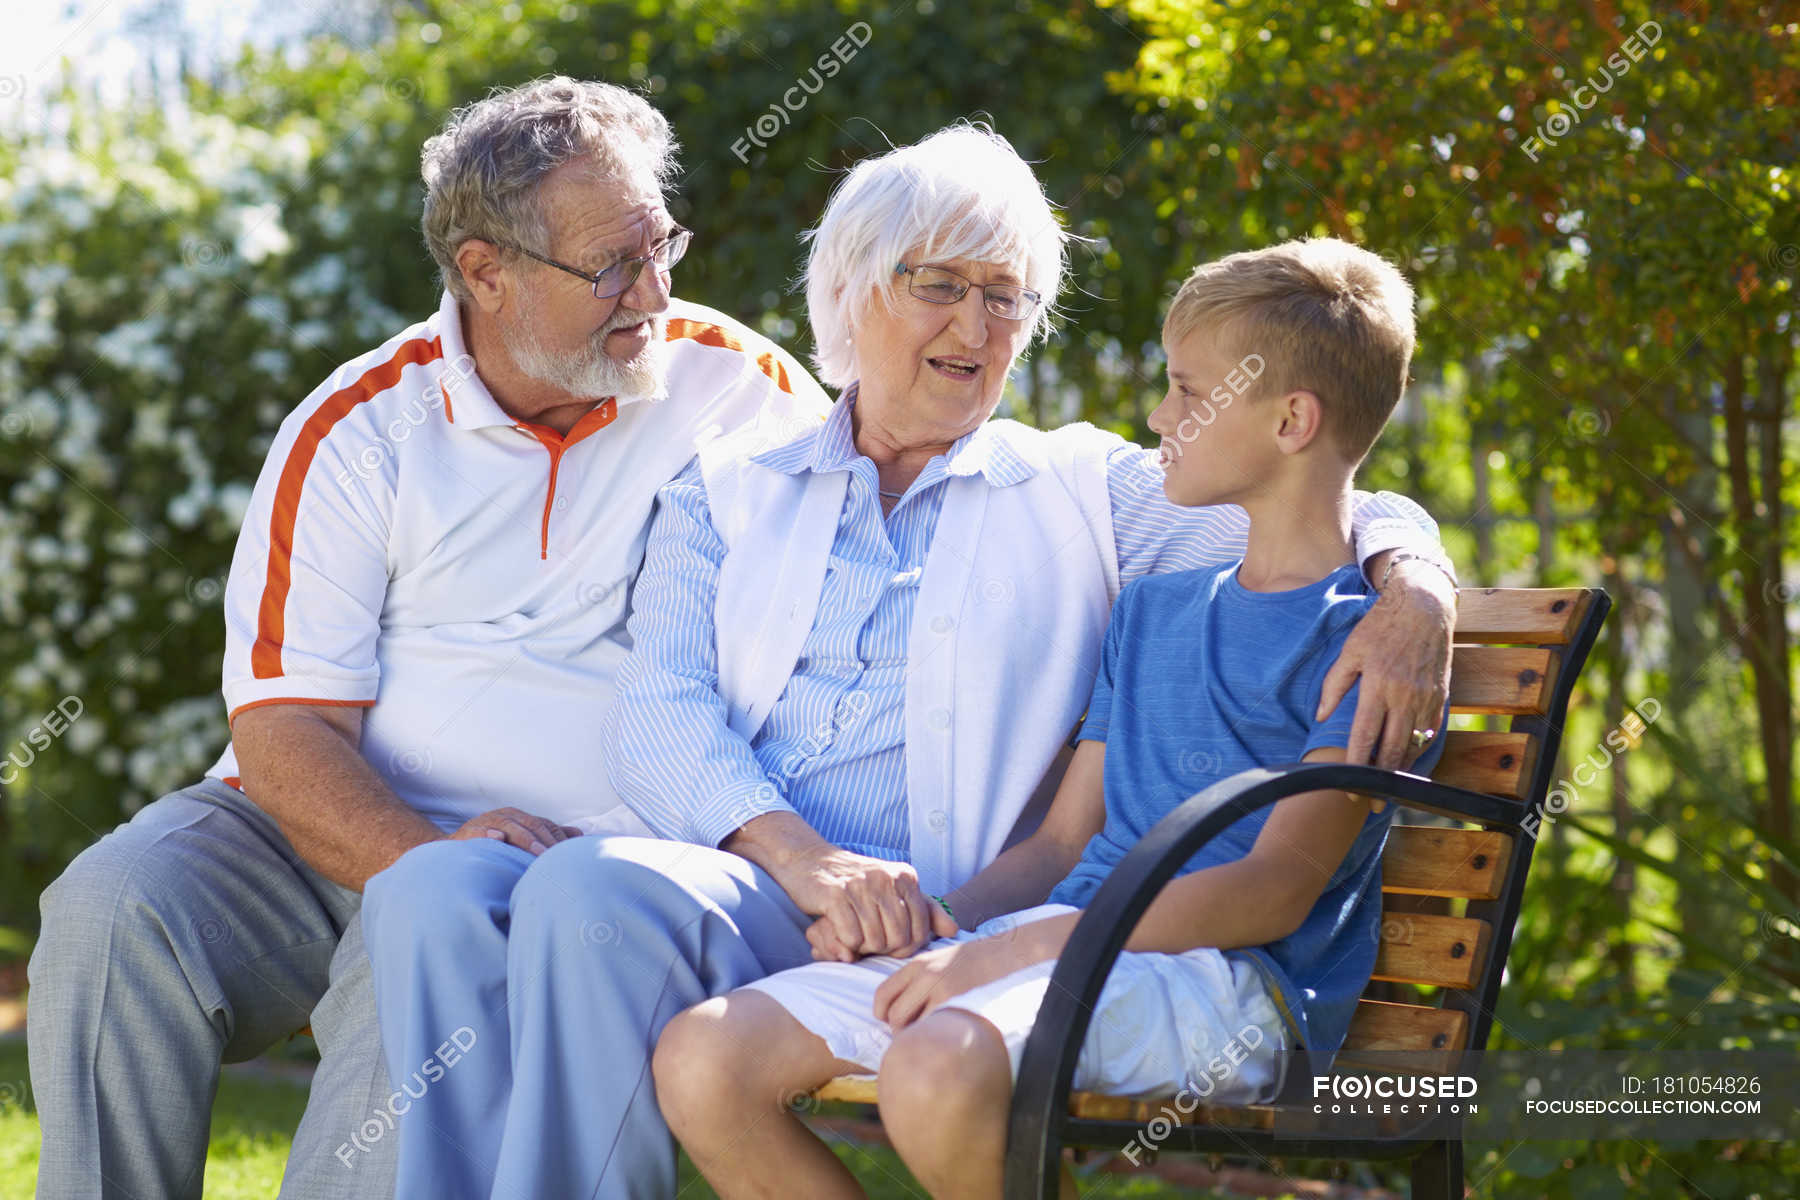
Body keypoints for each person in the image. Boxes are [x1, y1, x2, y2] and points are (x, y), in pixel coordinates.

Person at [362, 126, 1459, 1199]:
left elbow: (1320, 490)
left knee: (588, 891)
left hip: (936, 911)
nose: (978, 324)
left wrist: (1414, 582)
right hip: (763, 876)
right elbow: (661, 715)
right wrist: (808, 863)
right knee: (441, 883)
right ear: (853, 290)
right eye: (942, 285)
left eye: (1008, 296)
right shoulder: (731, 483)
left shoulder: (1087, 490)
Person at [25, 77, 827, 1200]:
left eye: (662, 248)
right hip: (326, 826)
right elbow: (285, 729)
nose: (653, 292)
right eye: (610, 267)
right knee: (113, 905)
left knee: (425, 940)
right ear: (485, 272)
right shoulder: (359, 429)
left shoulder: (742, 393)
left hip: (570, 866)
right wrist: (427, 853)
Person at [653, 234, 1450, 1200]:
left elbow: (1272, 890)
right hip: (1065, 943)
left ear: (1291, 421)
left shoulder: (1370, 650)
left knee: (938, 1067)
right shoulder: (1155, 611)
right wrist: (951, 924)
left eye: (1191, 394)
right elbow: (1066, 838)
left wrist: (1025, 945)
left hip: (1226, 985)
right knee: (706, 1060)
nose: (1160, 415)